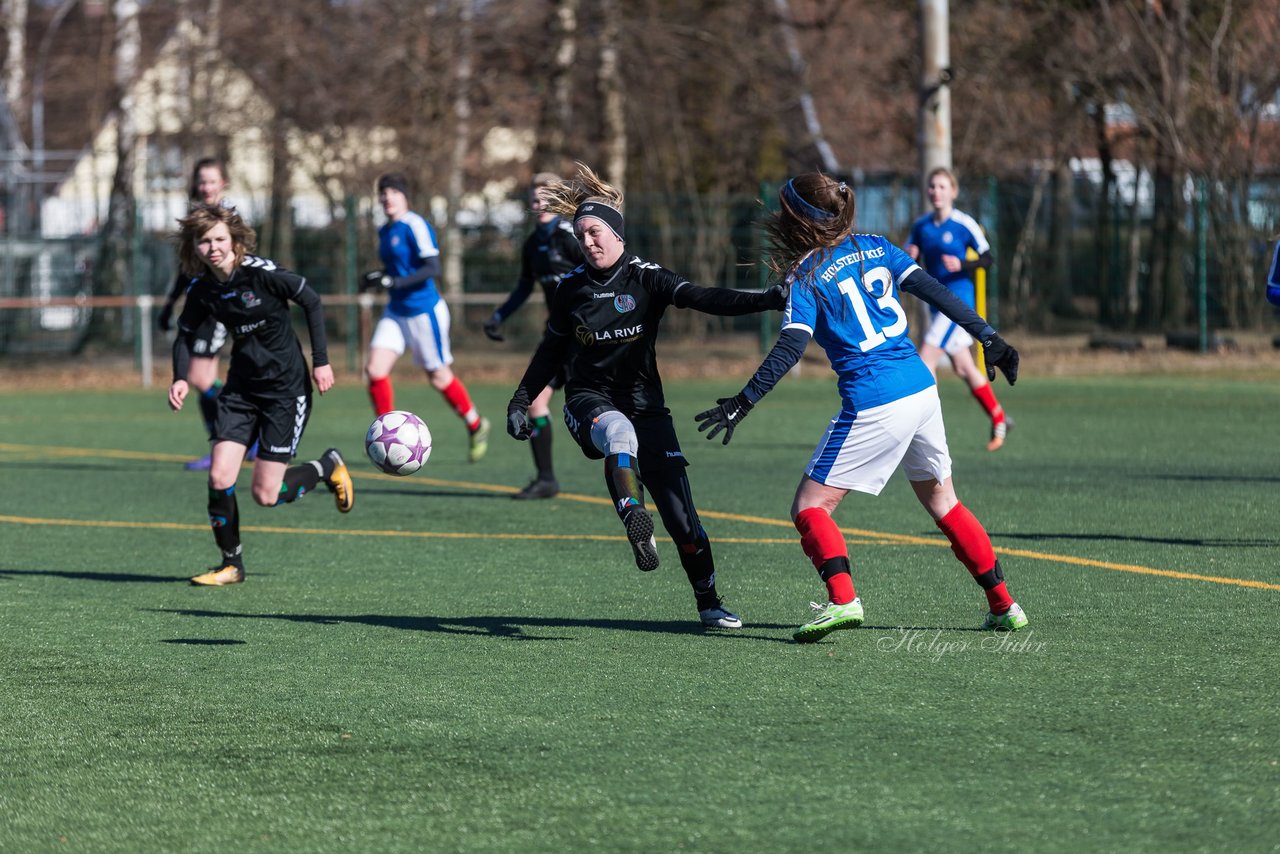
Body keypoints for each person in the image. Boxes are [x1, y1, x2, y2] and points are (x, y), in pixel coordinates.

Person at [695, 172, 1027, 642]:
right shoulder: (877, 245)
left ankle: (842, 599)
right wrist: (989, 337)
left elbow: (789, 348)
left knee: (810, 506)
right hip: (920, 389)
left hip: (875, 399)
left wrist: (743, 401)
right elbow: (937, 291)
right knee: (945, 503)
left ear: (798, 222)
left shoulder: (806, 274)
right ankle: (1004, 605)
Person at [505, 163, 786, 629]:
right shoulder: (571, 288)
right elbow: (550, 351)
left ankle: (709, 602)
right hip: (588, 399)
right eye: (581, 236)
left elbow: (704, 297)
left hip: (647, 405)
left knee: (685, 523)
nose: (589, 242)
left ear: (616, 233)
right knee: (618, 433)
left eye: (595, 232)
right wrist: (521, 400)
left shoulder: (646, 278)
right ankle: (634, 515)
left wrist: (766, 298)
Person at [168, 203, 354, 586]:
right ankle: (231, 565)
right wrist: (180, 377)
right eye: (204, 241)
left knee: (267, 495)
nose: (213, 247)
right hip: (240, 390)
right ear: (195, 247)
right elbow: (186, 334)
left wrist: (321, 361)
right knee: (220, 476)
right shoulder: (203, 288)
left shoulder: (262, 274)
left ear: (235, 240)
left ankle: (326, 467)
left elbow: (312, 300)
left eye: (220, 238)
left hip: (286, 391)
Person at [362, 172, 490, 462]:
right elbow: (397, 272)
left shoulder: (415, 225)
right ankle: (386, 435)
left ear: (404, 196)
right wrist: (378, 277)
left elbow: (432, 268)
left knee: (438, 376)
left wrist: (393, 283)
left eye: (393, 191)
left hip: (423, 311)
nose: (387, 197)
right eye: (382, 192)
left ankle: (476, 424)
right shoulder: (385, 230)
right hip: (396, 311)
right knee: (374, 370)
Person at [483, 172, 585, 499]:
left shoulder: (574, 237)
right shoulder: (533, 245)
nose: (539, 204)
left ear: (559, 200)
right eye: (534, 199)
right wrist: (499, 316)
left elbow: (601, 277)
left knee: (601, 406)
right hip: (556, 336)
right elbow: (525, 286)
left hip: (587, 338)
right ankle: (546, 479)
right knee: (536, 402)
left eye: (545, 198)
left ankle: (635, 474)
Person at [156, 157, 258, 470]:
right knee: (205, 379)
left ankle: (245, 429)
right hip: (200, 301)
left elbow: (244, 259)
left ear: (223, 183)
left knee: (201, 377)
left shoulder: (228, 217)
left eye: (212, 181)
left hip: (218, 305)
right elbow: (186, 269)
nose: (206, 187)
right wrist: (169, 303)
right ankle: (225, 443)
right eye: (202, 181)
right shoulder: (196, 217)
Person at [904, 167, 1012, 451]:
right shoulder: (922, 226)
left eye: (941, 187)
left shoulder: (964, 224)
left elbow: (988, 259)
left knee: (925, 359)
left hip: (958, 303)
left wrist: (963, 265)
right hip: (935, 305)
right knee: (964, 367)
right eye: (932, 187)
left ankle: (924, 431)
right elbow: (909, 253)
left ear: (953, 192)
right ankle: (999, 417)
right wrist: (910, 255)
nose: (935, 192)